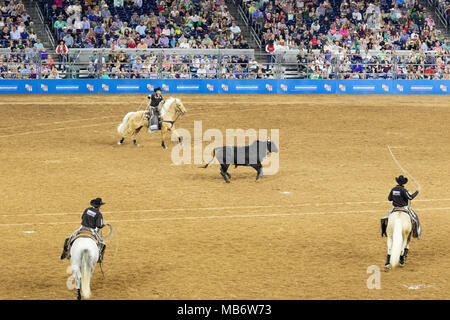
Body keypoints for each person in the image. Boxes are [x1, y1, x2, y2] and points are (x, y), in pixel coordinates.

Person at [60, 198, 107, 263]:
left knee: (69, 239)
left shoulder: (87, 209)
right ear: (99, 206)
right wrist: (103, 225)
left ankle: (65, 253)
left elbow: (82, 217)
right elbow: (99, 225)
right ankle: (100, 258)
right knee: (102, 243)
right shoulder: (99, 214)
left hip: (82, 228)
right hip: (92, 230)